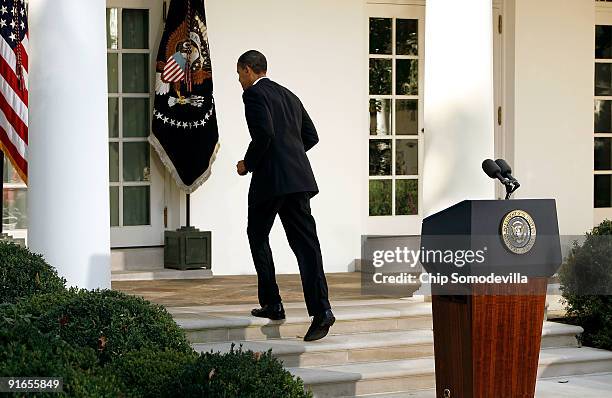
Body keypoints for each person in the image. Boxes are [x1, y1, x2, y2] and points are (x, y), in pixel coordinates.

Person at [235, 50, 334, 342]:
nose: (239, 80)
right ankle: (322, 312)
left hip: (270, 181)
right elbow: (311, 136)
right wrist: (289, 155)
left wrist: (247, 164)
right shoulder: (290, 95)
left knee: (257, 235)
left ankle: (273, 303)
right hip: (299, 180)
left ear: (249, 70)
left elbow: (263, 134)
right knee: (307, 247)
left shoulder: (253, 95)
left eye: (239, 73)